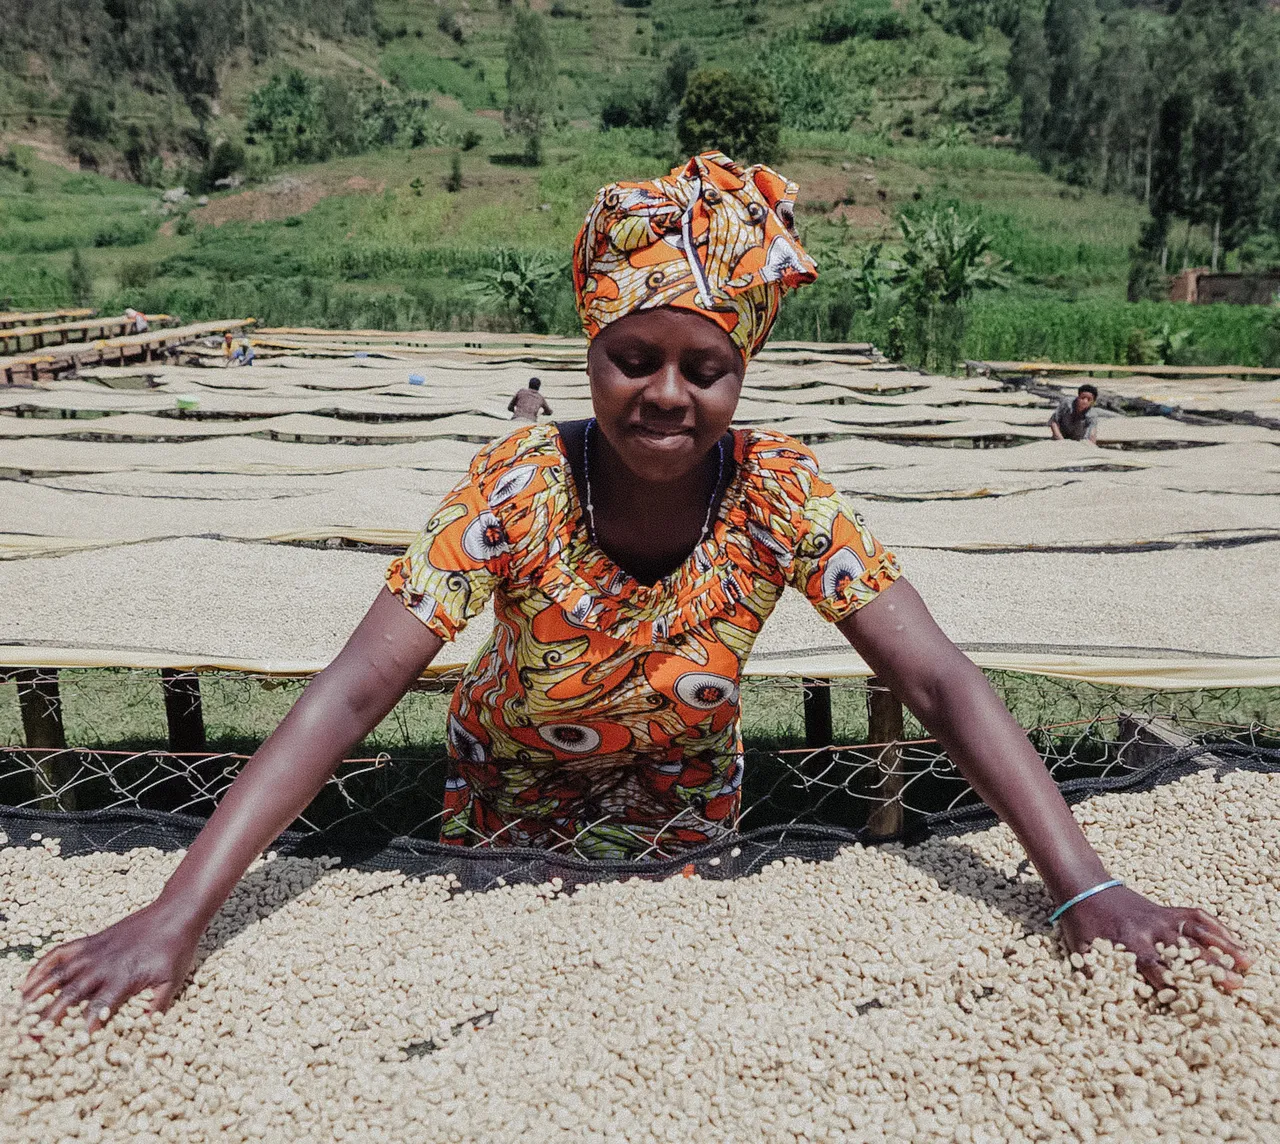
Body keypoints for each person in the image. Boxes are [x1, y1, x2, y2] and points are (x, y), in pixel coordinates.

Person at [24, 152, 1250, 1032]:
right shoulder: (516, 484)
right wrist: (178, 912)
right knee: (488, 1021)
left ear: (740, 372)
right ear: (589, 352)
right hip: (504, 802)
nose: (666, 393)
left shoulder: (778, 492)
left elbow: (933, 676)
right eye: (633, 358)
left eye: (704, 367)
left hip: (682, 813)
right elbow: (351, 691)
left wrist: (1086, 888)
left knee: (660, 1022)